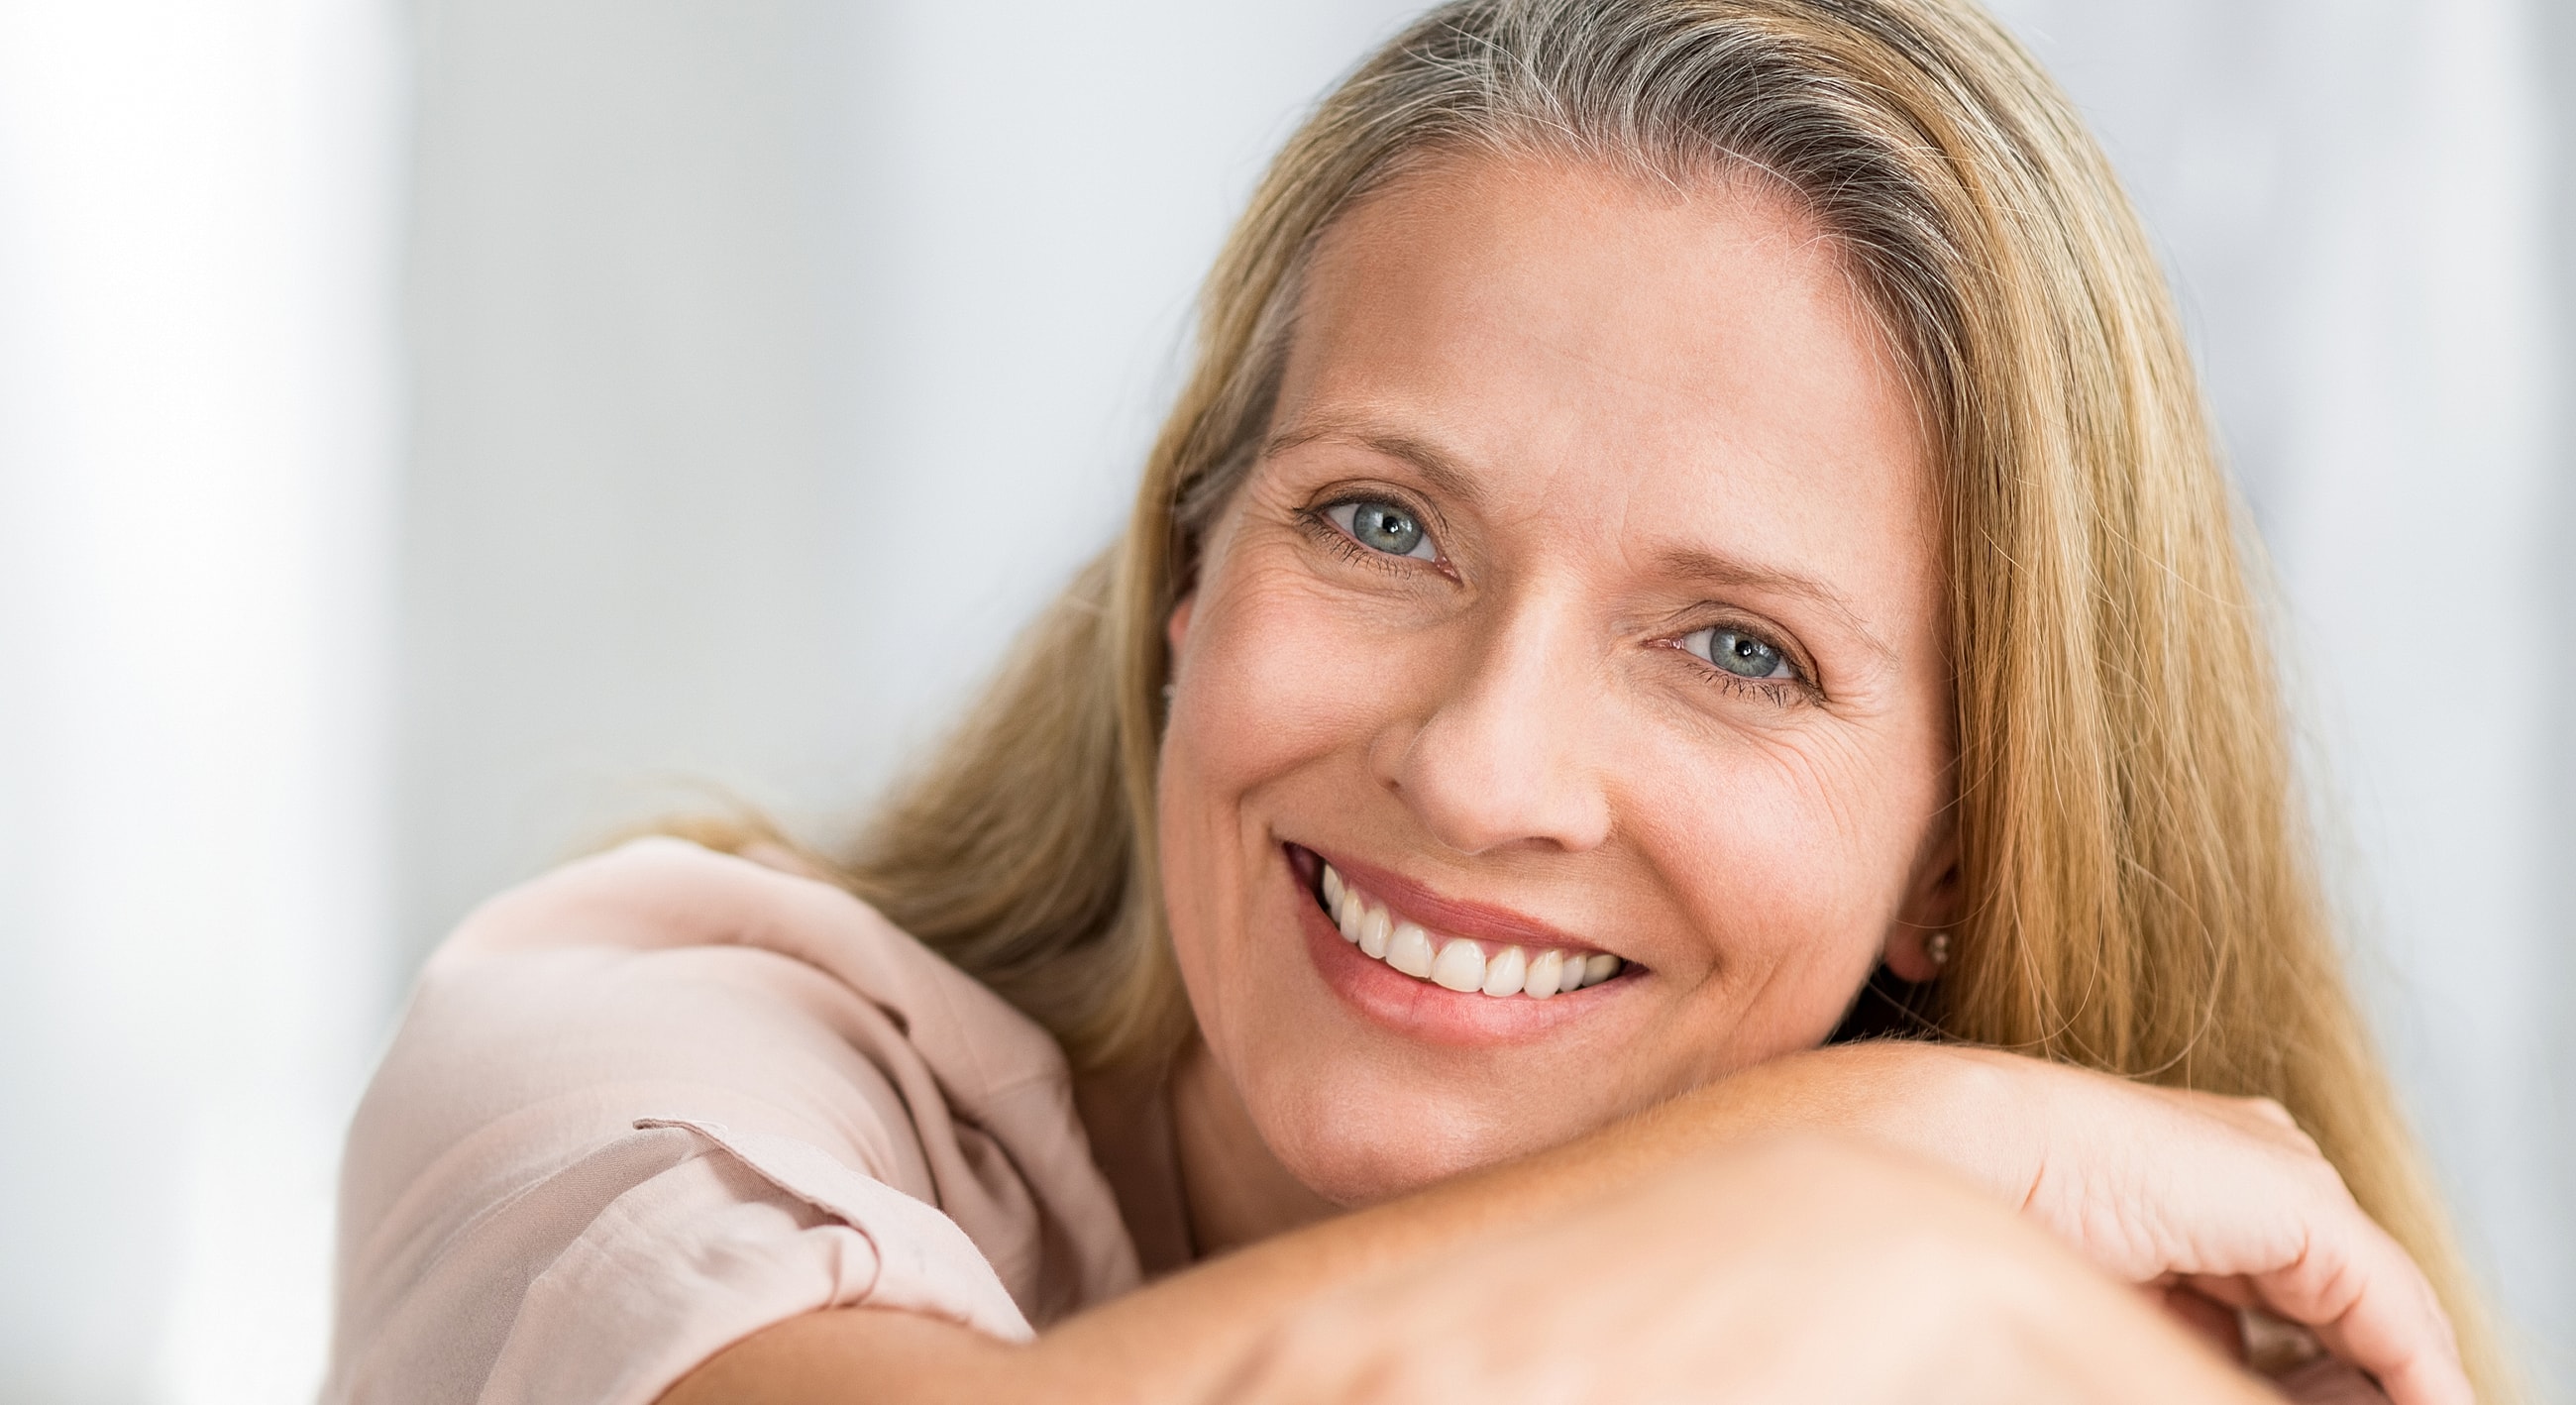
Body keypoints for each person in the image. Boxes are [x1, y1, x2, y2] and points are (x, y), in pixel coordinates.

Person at [323, 1, 2515, 1401]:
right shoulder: (631, 1101)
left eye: (1737, 646)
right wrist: (1865, 1169)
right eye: (1380, 525)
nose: (1477, 760)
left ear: (1965, 841)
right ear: (1187, 575)